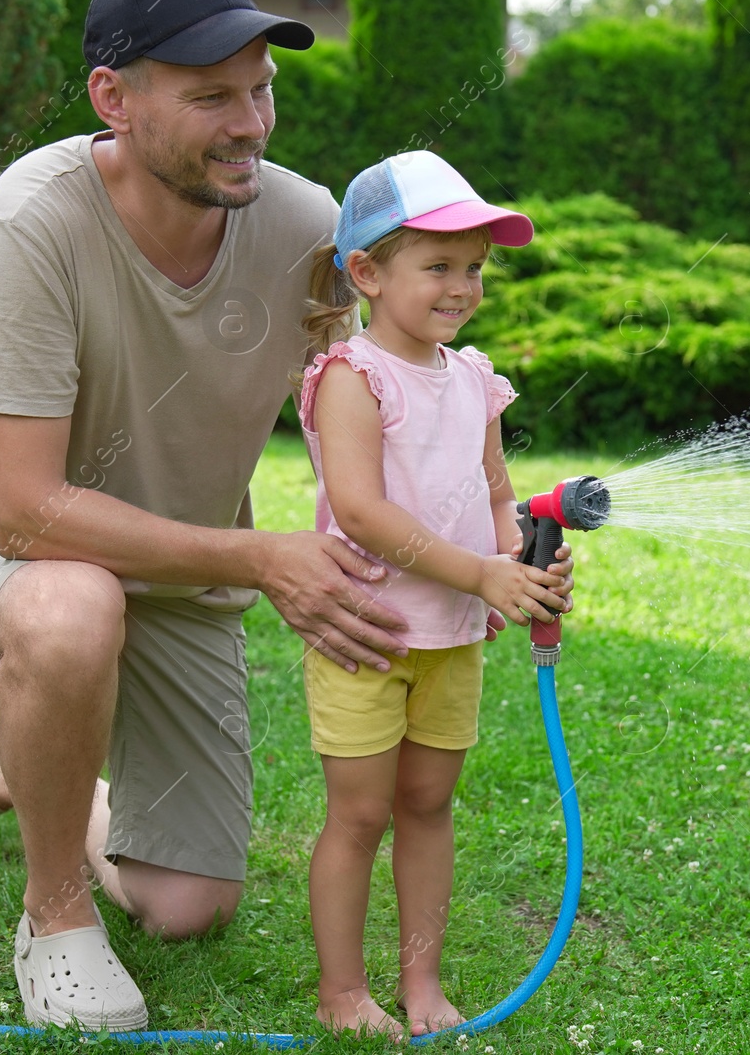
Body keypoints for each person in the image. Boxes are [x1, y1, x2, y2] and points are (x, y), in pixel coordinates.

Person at [0, 0, 574, 1033]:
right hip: (17, 558)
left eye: (260, 91)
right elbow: (24, 511)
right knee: (75, 608)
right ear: (113, 97)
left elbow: (378, 406)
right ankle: (55, 915)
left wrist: (483, 551)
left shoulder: (308, 228)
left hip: (189, 583)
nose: (251, 123)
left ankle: (26, 759)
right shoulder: (32, 221)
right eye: (213, 95)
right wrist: (262, 556)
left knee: (186, 908)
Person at [296, 151, 567, 1038]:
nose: (462, 287)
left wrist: (515, 564)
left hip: (450, 638)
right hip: (367, 633)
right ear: (367, 272)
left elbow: (495, 493)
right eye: (440, 265)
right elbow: (365, 514)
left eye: (476, 268)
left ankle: (421, 983)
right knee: (362, 812)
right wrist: (480, 571)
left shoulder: (475, 379)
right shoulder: (353, 377)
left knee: (427, 806)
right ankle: (343, 992)